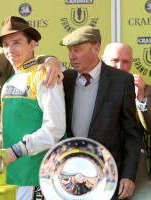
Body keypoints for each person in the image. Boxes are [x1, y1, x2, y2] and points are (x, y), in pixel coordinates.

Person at [0, 16, 66, 200]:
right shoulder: (8, 82)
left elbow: (54, 129)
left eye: (16, 43)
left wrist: (16, 151)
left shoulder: (45, 75)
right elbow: (7, 133)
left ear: (32, 45)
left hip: (38, 177)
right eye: (6, 44)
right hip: (11, 178)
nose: (10, 50)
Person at [61, 26, 141, 200]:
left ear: (96, 48)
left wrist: (128, 175)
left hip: (108, 177)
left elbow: (132, 135)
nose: (71, 56)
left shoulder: (122, 81)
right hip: (69, 176)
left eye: (77, 50)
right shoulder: (64, 79)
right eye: (69, 51)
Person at [103, 42, 151, 198]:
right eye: (114, 60)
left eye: (125, 61)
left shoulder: (145, 89)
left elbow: (149, 127)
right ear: (103, 60)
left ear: (131, 63)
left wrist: (141, 97)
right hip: (99, 161)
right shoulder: (91, 87)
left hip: (136, 166)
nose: (119, 66)